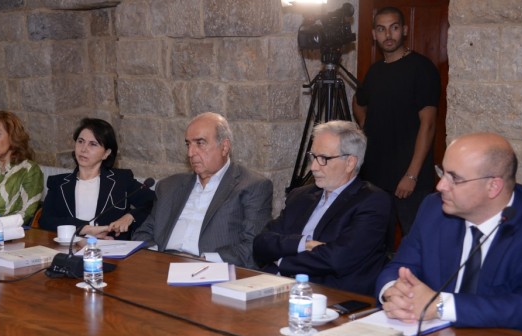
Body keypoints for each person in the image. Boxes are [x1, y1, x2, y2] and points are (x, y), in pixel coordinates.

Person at [377, 133, 522, 332]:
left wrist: (441, 306)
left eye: (455, 178)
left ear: (493, 186)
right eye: (442, 172)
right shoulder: (434, 208)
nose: (440, 186)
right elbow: (400, 266)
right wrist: (394, 293)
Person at [253, 121, 392, 295]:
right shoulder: (300, 196)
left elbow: (337, 259)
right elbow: (261, 243)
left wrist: (281, 260)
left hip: (329, 296)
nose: (313, 167)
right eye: (313, 156)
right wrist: (303, 243)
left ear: (350, 162)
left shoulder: (372, 201)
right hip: (274, 285)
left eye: (323, 159)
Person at [133, 112, 273, 269]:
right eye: (188, 144)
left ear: (224, 147)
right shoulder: (169, 186)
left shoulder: (252, 186)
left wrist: (203, 261)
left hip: (211, 270)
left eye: (200, 143)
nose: (190, 153)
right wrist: (158, 258)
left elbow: (254, 247)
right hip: (161, 266)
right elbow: (143, 233)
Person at [353, 6, 440, 236]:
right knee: (376, 244)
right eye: (381, 29)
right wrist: (365, 124)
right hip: (375, 178)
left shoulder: (421, 68)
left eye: (394, 28)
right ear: (374, 34)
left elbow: (429, 125)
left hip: (409, 179)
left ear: (404, 30)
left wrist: (411, 175)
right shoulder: (375, 72)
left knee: (417, 243)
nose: (388, 35)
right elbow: (359, 101)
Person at [38, 118, 155, 239]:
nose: (83, 149)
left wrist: (130, 217)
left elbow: (154, 201)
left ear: (106, 153)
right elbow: (46, 220)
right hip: (71, 246)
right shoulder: (58, 183)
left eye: (93, 144)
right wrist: (84, 228)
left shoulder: (121, 180)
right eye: (80, 141)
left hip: (111, 247)